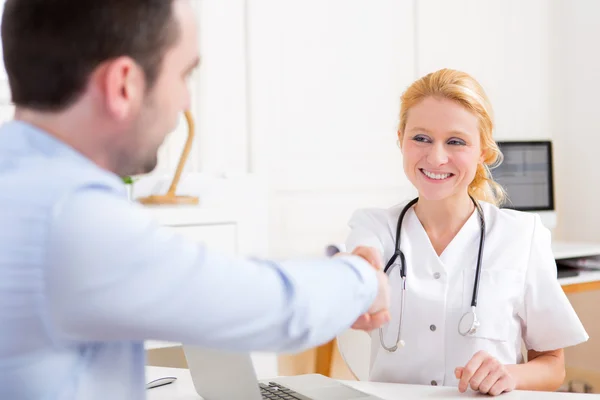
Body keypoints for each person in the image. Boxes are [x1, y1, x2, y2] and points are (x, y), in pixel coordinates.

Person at [0, 1, 391, 399]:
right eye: (184, 75)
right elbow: (269, 307)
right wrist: (362, 279)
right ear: (123, 85)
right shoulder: (73, 217)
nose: (186, 102)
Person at [346, 68, 588, 396]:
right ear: (400, 138)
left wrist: (510, 375)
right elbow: (359, 264)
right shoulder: (374, 227)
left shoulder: (522, 236)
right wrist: (353, 278)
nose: (436, 156)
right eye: (421, 138)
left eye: (456, 141)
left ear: (483, 152)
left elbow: (553, 365)